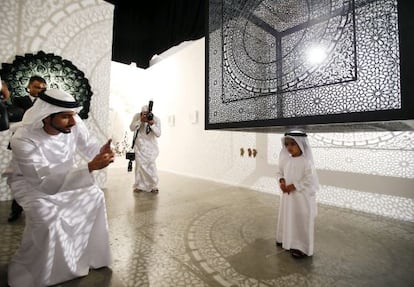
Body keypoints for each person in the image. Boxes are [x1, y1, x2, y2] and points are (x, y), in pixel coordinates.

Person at [7, 89, 114, 286]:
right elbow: (42, 182)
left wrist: (102, 153)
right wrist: (89, 167)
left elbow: (89, 146)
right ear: (46, 117)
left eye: (73, 116)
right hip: (30, 183)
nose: (73, 122)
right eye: (65, 117)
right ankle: (43, 272)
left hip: (68, 177)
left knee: (95, 196)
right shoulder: (22, 139)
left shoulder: (73, 121)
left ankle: (87, 257)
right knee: (49, 220)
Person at [7, 75, 47, 222]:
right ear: (29, 86)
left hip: (40, 145)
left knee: (39, 178)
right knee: (20, 178)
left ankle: (36, 209)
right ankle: (15, 211)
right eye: (37, 87)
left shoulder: (46, 104)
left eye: (43, 89)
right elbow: (16, 121)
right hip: (21, 145)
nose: (40, 91)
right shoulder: (18, 100)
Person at [275, 131, 318, 259]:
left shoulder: (306, 162)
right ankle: (285, 238)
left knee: (301, 220)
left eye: (293, 144)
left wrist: (294, 186)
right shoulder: (286, 160)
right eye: (287, 144)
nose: (289, 147)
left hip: (301, 198)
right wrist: (281, 182)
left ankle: (302, 247)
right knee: (287, 216)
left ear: (301, 144)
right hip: (288, 197)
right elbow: (279, 172)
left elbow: (309, 179)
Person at [129, 104, 161, 194]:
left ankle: (153, 186)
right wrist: (140, 121)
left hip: (151, 148)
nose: (146, 115)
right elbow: (131, 128)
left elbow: (158, 134)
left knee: (151, 166)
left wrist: (152, 125)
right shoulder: (137, 116)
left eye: (147, 113)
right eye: (143, 113)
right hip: (139, 147)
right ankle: (139, 185)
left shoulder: (156, 119)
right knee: (139, 167)